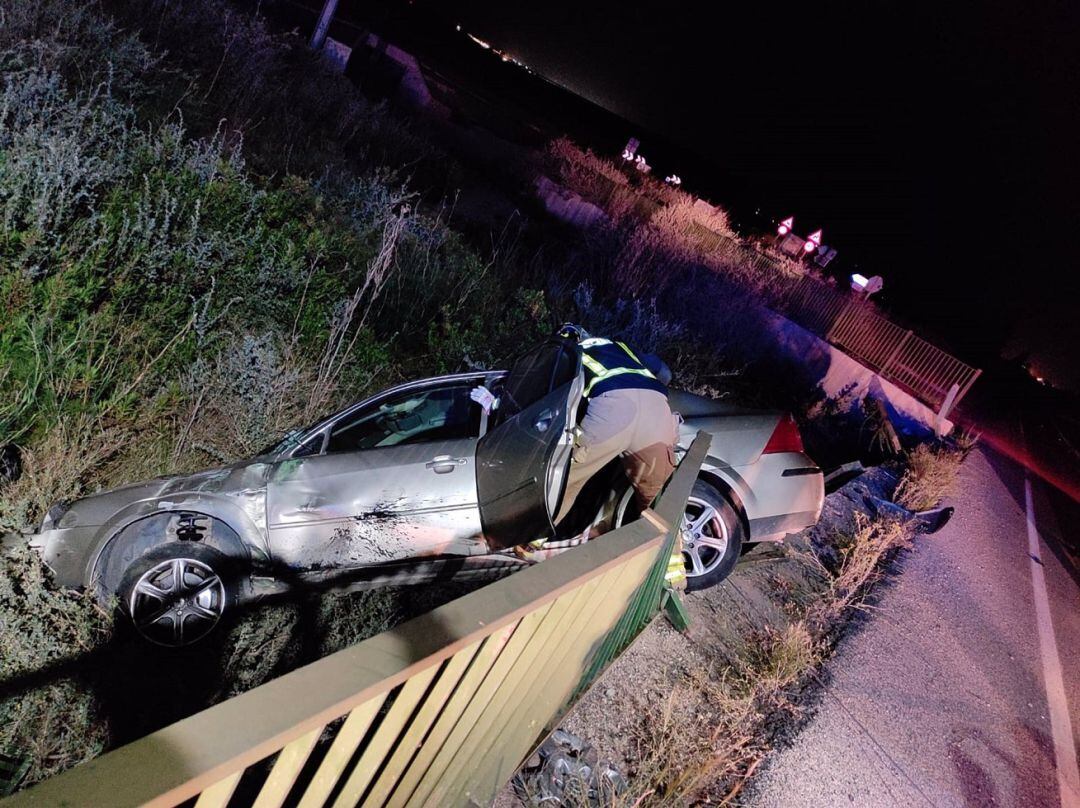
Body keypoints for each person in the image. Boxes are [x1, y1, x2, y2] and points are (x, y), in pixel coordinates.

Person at [470, 323, 679, 525]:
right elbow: (665, 374)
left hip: (613, 408)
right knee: (660, 496)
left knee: (565, 476)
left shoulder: (566, 354)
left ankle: (532, 540)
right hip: (656, 406)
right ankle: (672, 554)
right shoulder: (619, 346)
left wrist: (496, 404)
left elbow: (538, 401)